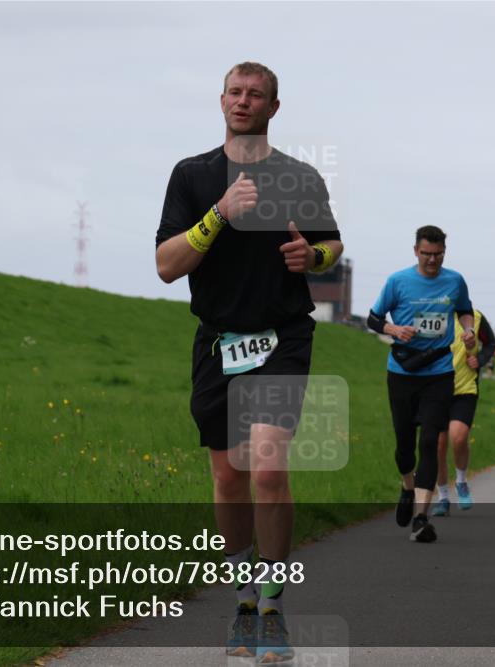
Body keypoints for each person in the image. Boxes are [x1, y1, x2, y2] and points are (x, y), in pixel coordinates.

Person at [155, 62, 343, 662]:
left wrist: (311, 255)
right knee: (228, 477)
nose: (243, 102)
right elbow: (166, 264)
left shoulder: (299, 176)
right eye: (235, 93)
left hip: (282, 336)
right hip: (218, 341)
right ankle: (241, 596)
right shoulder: (193, 175)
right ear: (221, 101)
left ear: (273, 108)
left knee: (265, 466)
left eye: (255, 95)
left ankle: (272, 603)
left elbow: (331, 244)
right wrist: (219, 214)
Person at [368, 225, 475, 543]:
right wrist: (393, 329)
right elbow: (372, 318)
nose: (432, 260)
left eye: (438, 254)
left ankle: (421, 517)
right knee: (404, 445)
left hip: (439, 372)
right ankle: (406, 485)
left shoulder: (454, 280)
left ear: (445, 251)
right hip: (402, 371)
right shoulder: (398, 281)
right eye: (426, 254)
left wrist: (467, 330)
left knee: (431, 442)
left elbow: (464, 310)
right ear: (416, 251)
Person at [432, 309, 495, 516]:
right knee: (438, 446)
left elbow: (491, 344)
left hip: (465, 389)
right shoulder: (431, 314)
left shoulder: (475, 317)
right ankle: (442, 497)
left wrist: (480, 359)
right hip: (434, 390)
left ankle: (461, 481)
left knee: (458, 438)